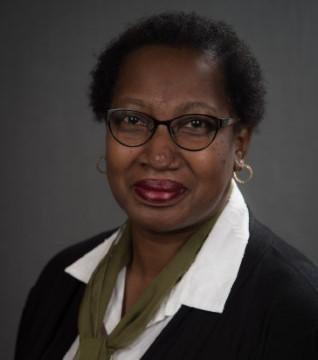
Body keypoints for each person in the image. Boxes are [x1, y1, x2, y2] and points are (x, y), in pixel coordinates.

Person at [15, 12, 317, 360]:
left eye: (195, 123)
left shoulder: (294, 312)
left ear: (240, 145)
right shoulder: (60, 282)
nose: (158, 156)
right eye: (132, 119)